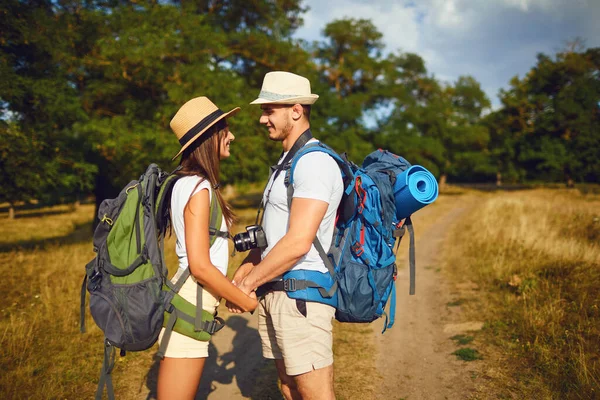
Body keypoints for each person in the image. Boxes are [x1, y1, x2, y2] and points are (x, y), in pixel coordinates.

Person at [230, 72, 343, 400]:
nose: (262, 119)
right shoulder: (286, 162)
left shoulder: (315, 163)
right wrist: (251, 264)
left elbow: (297, 243)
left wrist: (247, 285)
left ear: (296, 110)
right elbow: (276, 229)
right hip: (279, 292)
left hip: (301, 296)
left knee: (314, 394)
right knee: (289, 388)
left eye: (269, 110)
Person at [157, 96, 258, 400]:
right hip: (191, 303)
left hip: (193, 301)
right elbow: (200, 265)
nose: (232, 136)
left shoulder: (187, 183)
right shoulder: (198, 189)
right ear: (209, 138)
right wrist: (245, 300)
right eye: (225, 129)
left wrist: (228, 289)